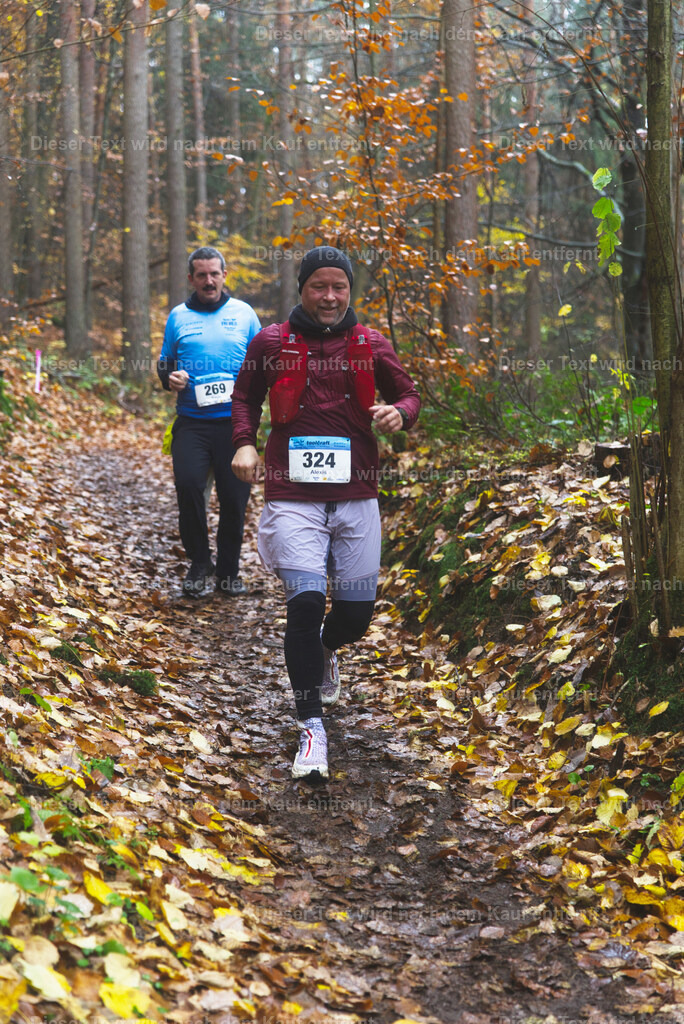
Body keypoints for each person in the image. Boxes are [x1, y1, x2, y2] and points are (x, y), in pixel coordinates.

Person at [231, 245, 420, 780]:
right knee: (307, 601)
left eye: (339, 286)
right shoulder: (271, 341)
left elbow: (409, 395)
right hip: (292, 495)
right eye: (320, 286)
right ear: (302, 289)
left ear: (350, 290)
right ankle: (312, 728)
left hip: (357, 492)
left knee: (355, 615)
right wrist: (244, 443)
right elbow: (244, 399)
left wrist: (398, 415)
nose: (330, 296)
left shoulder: (370, 343)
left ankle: (325, 650)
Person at [158, 246, 261, 597]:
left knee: (234, 501)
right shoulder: (178, 316)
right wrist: (171, 377)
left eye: (214, 273)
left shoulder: (244, 314)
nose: (208, 280)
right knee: (188, 489)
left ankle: (229, 572)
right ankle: (200, 563)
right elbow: (164, 364)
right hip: (192, 423)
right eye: (201, 274)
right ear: (191, 279)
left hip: (236, 426)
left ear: (224, 275)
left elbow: (263, 360)